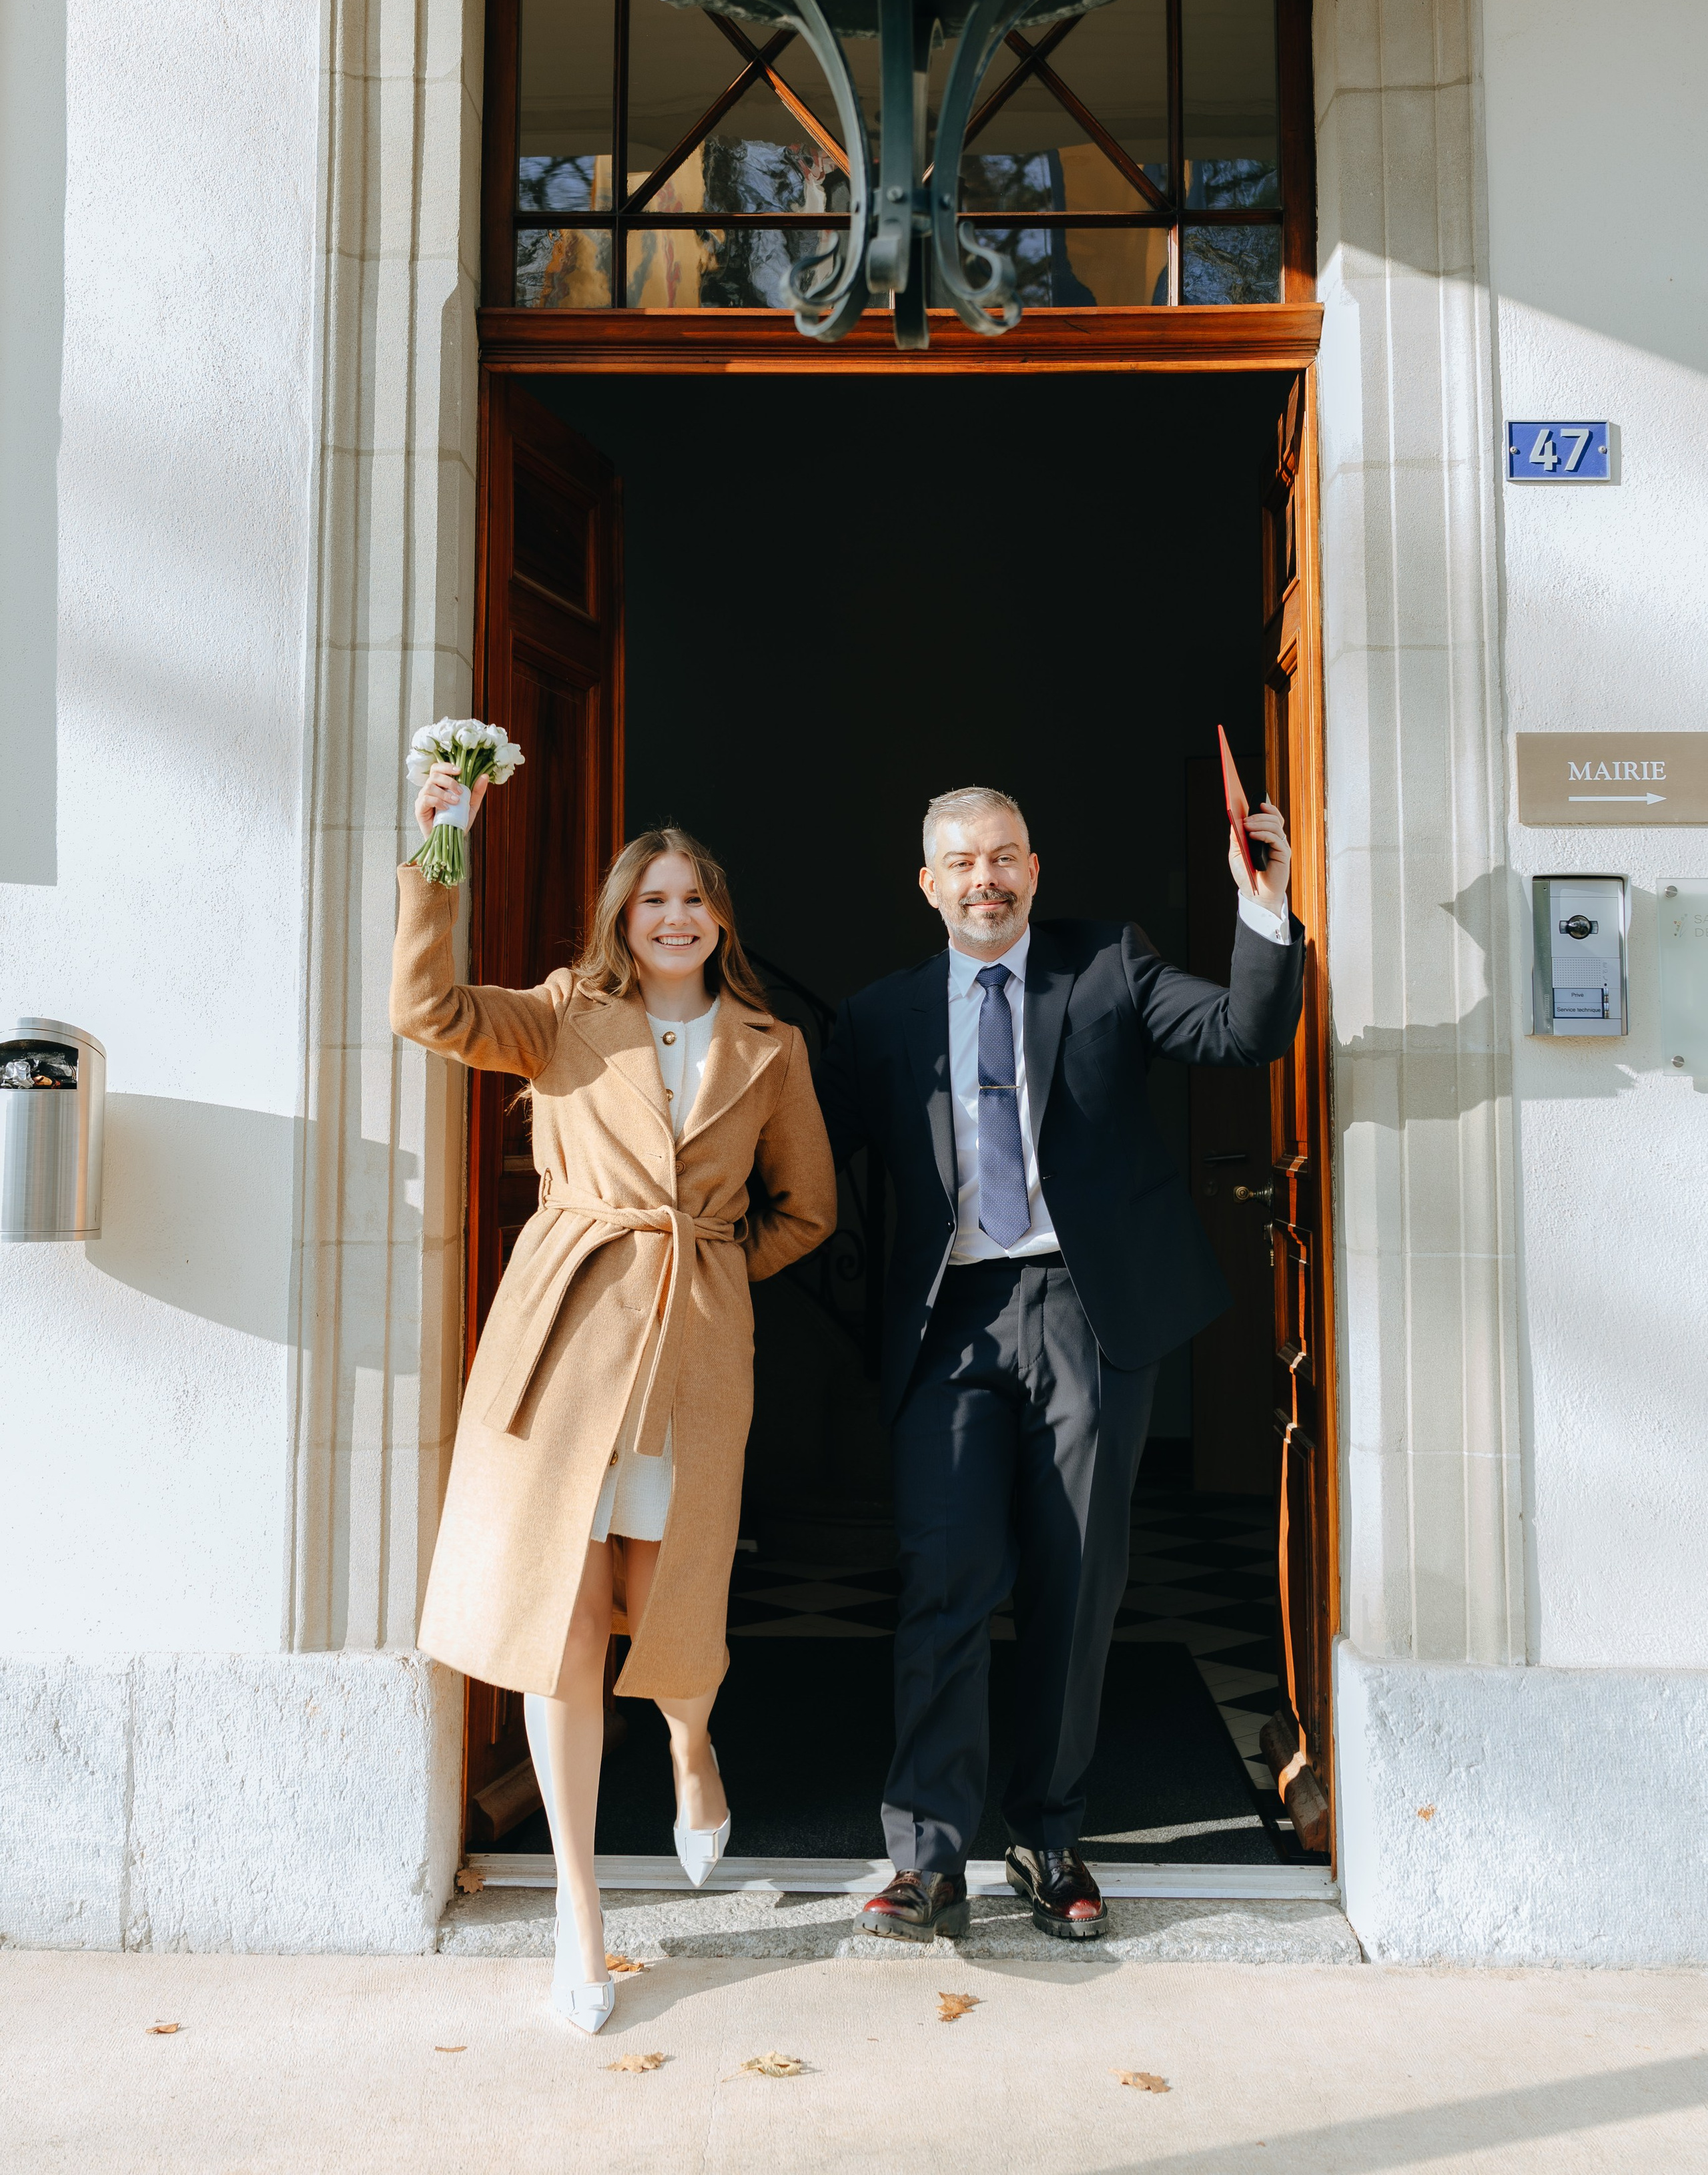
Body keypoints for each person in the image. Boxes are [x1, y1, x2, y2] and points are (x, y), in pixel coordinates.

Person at [815, 782, 1304, 1944]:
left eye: (1004, 858)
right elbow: (796, 1146)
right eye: (961, 863)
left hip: (1085, 1312)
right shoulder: (880, 1017)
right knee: (945, 1580)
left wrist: (1263, 904)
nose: (984, 879)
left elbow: (1245, 1033)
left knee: (1077, 1584)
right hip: (951, 1322)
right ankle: (928, 1862)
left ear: (1034, 869)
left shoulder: (1108, 967)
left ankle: (1047, 1837)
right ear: (927, 884)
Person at [392, 776, 836, 2033]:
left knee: (669, 1599)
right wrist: (442, 847)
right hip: (568, 1348)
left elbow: (808, 1210)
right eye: (653, 900)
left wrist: (711, 1272)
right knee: (567, 1623)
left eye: (693, 898)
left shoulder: (771, 1047)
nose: (675, 916)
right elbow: (427, 1009)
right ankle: (578, 1912)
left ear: (720, 917)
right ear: (621, 919)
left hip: (693, 1360)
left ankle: (693, 1745)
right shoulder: (564, 1016)